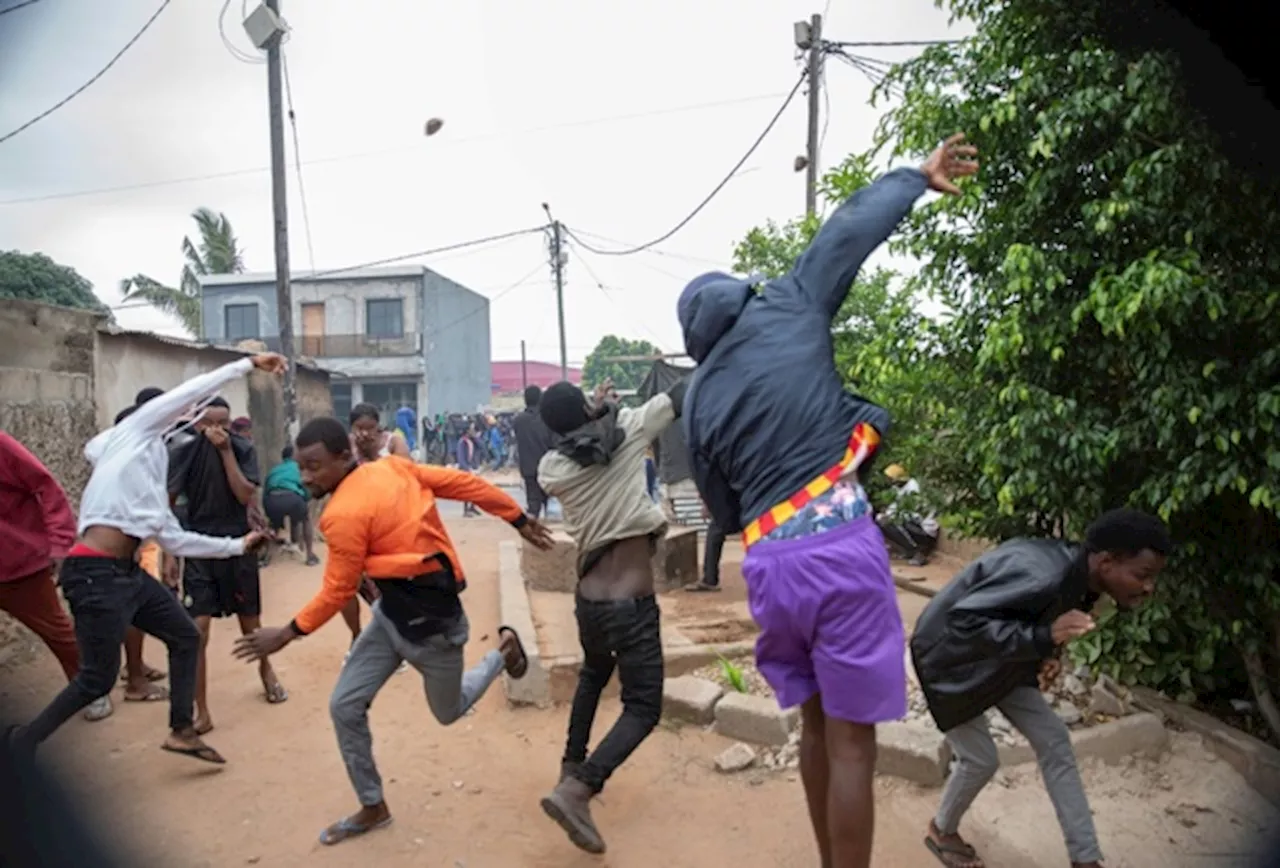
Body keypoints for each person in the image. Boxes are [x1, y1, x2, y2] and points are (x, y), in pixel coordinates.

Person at [677, 133, 978, 868]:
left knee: (815, 729)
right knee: (853, 745)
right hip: (840, 552)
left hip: (772, 566)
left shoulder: (699, 398)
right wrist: (917, 177)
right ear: (740, 295)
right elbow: (846, 232)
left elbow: (722, 509)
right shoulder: (786, 305)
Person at [232, 416, 553, 846]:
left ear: (345, 457)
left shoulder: (344, 513)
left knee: (449, 711)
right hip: (388, 620)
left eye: (315, 466)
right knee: (344, 706)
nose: (306, 476)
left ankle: (503, 652)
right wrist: (517, 518)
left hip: (437, 631)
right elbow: (463, 483)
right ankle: (373, 805)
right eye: (302, 466)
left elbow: (338, 590)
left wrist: (287, 633)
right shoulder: (394, 468)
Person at [5, 355, 281, 765]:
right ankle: (24, 741)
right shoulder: (134, 434)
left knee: (186, 637)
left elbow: (175, 537)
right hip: (94, 573)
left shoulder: (150, 469)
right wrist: (246, 365)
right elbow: (191, 392)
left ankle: (182, 731)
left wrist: (239, 546)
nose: (192, 419)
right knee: (96, 679)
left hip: (126, 574)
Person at [912, 509, 1171, 868]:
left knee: (1055, 741)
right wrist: (1041, 637)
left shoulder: (1083, 578)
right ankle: (942, 830)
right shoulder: (1045, 573)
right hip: (949, 661)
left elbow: (1036, 617)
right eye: (1142, 575)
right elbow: (963, 620)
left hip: (1000, 660)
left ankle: (1086, 859)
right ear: (1107, 562)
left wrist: (1046, 653)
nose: (1148, 587)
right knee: (980, 759)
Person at [535, 375, 686, 854]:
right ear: (587, 406)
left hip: (589, 603)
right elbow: (679, 398)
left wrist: (596, 412)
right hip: (632, 604)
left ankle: (570, 764)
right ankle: (579, 789)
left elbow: (584, 445)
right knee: (643, 707)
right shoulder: (630, 429)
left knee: (594, 675)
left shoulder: (551, 467)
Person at [168, 396, 286, 733]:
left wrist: (225, 452)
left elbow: (243, 494)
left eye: (223, 423)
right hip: (198, 547)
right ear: (197, 423)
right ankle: (200, 709)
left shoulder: (241, 449)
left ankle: (266, 671)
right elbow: (169, 502)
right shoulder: (184, 452)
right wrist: (169, 554)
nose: (216, 430)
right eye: (209, 423)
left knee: (250, 622)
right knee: (198, 630)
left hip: (238, 544)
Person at [0, 433, 113, 723]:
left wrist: (60, 542)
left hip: (16, 562)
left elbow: (45, 485)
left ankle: (91, 688)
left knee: (57, 631)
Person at [263, 445, 320, 566]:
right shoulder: (299, 468)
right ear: (294, 456)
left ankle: (266, 557)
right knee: (305, 519)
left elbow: (265, 491)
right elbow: (304, 489)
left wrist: (268, 511)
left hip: (272, 500)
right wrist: (305, 497)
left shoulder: (274, 470)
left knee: (273, 525)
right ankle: (310, 556)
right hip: (292, 498)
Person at [878, 464, 940, 566]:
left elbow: (916, 513)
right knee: (882, 521)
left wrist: (892, 516)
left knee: (892, 521)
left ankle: (918, 552)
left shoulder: (914, 487)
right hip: (911, 523)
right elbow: (894, 507)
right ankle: (908, 549)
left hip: (924, 529)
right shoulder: (896, 488)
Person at [513, 385, 556, 518]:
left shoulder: (518, 420)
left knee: (533, 505)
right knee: (550, 502)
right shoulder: (548, 419)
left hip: (528, 468)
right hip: (547, 467)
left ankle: (533, 532)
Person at [455, 429, 480, 517]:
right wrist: (466, 469)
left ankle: (472, 506)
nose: (473, 433)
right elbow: (461, 457)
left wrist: (476, 438)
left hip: (472, 467)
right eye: (471, 431)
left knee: (475, 488)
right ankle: (465, 510)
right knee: (466, 490)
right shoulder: (462, 442)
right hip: (465, 469)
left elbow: (481, 446)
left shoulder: (471, 441)